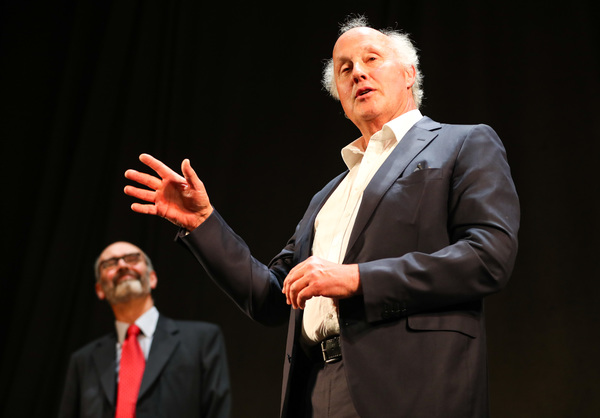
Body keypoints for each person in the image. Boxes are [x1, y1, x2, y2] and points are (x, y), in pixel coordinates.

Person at [123, 15, 520, 418]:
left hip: (414, 386)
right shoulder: (329, 195)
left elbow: (488, 257)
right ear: (341, 98)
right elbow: (272, 298)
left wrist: (357, 278)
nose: (357, 73)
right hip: (316, 389)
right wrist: (203, 223)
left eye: (371, 59)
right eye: (344, 69)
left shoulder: (462, 143)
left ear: (408, 73)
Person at [58, 241, 231, 418]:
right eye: (110, 263)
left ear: (152, 278)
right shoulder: (83, 361)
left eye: (132, 259)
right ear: (99, 289)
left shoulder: (201, 340)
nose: (122, 265)